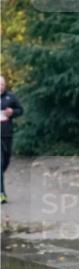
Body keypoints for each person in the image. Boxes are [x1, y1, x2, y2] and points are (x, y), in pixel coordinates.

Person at [0, 75, 24, 204]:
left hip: (6, 134)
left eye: (2, 85)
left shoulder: (11, 97)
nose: (0, 87)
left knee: (5, 161)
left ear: (5, 86)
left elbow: (21, 110)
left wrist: (12, 112)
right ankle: (1, 194)